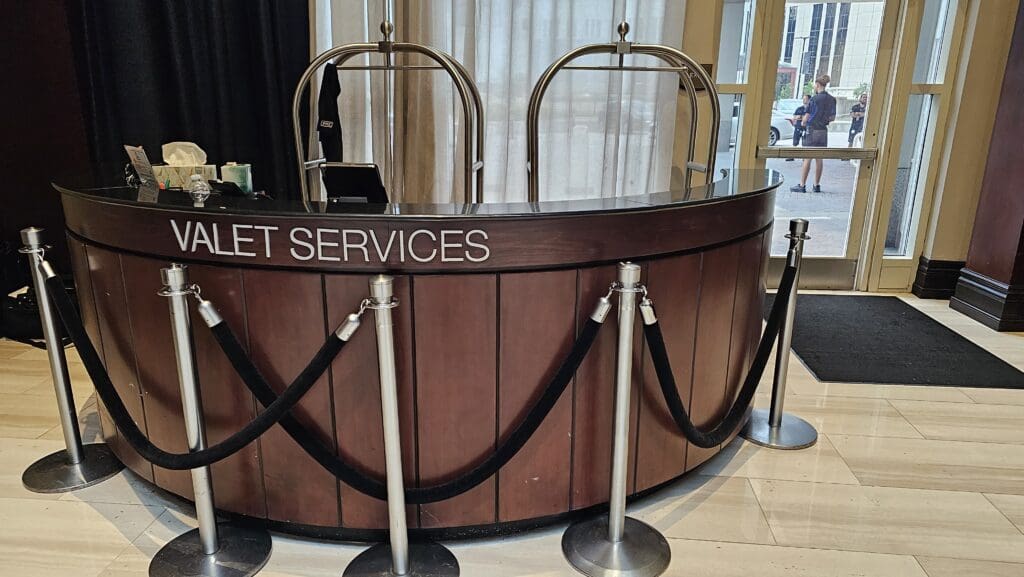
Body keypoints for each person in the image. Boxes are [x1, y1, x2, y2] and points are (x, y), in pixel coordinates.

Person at [791, 74, 836, 193]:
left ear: (817, 85)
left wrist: (803, 123)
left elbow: (806, 117)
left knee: (807, 158)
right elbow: (832, 118)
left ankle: (802, 185)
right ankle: (817, 185)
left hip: (812, 130)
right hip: (823, 131)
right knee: (819, 158)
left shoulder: (814, 99)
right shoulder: (832, 99)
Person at [786, 93, 812, 161]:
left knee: (806, 142)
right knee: (795, 141)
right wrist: (800, 117)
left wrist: (802, 117)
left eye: (805, 99)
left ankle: (804, 157)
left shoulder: (811, 109)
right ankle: (792, 156)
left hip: (807, 126)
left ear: (809, 100)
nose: (804, 100)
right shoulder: (799, 109)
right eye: (803, 99)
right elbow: (795, 117)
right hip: (798, 126)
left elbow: (810, 117)